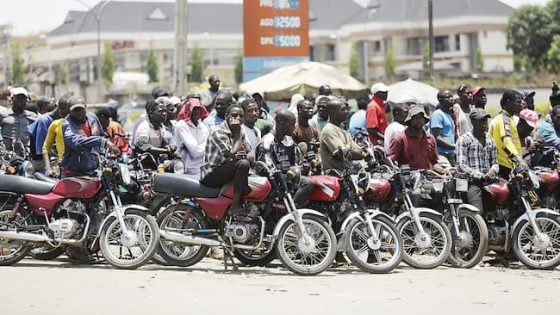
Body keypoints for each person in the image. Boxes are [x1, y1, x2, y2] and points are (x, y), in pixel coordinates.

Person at [200, 104, 252, 215]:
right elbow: (231, 155)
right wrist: (238, 135)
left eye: (241, 116)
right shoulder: (218, 132)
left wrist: (243, 155)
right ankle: (234, 206)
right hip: (212, 174)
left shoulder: (241, 130)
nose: (238, 118)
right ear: (226, 116)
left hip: (227, 170)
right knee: (243, 164)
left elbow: (250, 154)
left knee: (247, 164)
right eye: (234, 115)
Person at [256, 110, 313, 208]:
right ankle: (291, 209)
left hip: (287, 178)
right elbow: (265, 168)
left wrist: (301, 168)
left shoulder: (289, 140)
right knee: (307, 183)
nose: (294, 127)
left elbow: (294, 163)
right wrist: (285, 172)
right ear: (281, 123)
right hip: (273, 180)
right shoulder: (267, 141)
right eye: (292, 124)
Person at [61, 96, 119, 177]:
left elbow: (102, 135)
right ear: (69, 111)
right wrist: (102, 142)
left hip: (94, 170)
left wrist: (103, 155)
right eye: (75, 110)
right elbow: (75, 140)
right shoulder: (67, 124)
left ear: (85, 107)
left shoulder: (92, 118)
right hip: (74, 173)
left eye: (80, 109)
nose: (79, 112)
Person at [456, 108, 498, 214]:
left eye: (485, 119)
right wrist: (480, 175)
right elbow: (462, 165)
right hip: (472, 181)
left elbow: (495, 162)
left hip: (490, 179)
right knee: (478, 212)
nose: (484, 122)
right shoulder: (464, 139)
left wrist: (493, 170)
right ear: (473, 122)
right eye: (481, 120)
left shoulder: (490, 140)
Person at [389, 104, 446, 174]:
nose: (418, 120)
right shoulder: (399, 138)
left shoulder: (430, 138)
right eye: (415, 117)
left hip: (428, 180)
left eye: (421, 117)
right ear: (410, 120)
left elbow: (434, 162)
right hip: (408, 181)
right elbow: (390, 163)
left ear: (424, 119)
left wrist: (444, 171)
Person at [28, 93, 71, 172]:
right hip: (43, 161)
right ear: (59, 108)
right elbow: (42, 149)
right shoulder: (44, 121)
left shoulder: (64, 121)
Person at [489, 89, 526, 179]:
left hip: (511, 164)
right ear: (508, 102)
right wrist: (519, 159)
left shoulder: (510, 118)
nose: (521, 105)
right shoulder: (504, 119)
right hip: (504, 165)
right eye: (518, 102)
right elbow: (507, 140)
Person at [320, 98, 364, 171]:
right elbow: (344, 154)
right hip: (334, 177)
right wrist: (357, 153)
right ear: (333, 112)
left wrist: (362, 153)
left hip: (347, 175)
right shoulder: (329, 130)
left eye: (346, 109)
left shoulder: (343, 130)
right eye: (342, 110)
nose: (346, 112)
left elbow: (359, 150)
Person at [134, 98, 176, 167]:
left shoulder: (161, 127)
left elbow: (164, 144)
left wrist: (170, 147)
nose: (164, 114)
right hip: (144, 169)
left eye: (165, 111)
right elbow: (144, 146)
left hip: (158, 166)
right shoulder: (144, 127)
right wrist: (166, 151)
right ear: (151, 113)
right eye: (160, 111)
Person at [174, 98, 210, 179]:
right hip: (186, 169)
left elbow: (209, 147)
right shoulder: (181, 125)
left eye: (199, 109)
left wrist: (207, 146)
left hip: (202, 167)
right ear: (188, 110)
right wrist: (207, 145)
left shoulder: (203, 126)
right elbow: (196, 152)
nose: (197, 112)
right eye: (194, 109)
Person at [42, 93, 74, 177]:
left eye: (64, 109)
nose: (61, 112)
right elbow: (46, 148)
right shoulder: (55, 125)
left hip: (81, 168)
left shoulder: (83, 124)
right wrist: (48, 169)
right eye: (60, 108)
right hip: (63, 168)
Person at [0, 87, 37, 155]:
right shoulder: (3, 114)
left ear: (26, 100)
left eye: (23, 98)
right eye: (18, 97)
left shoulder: (32, 116)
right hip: (7, 154)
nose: (20, 100)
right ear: (12, 99)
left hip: (26, 154)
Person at [430, 90, 457, 165]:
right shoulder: (437, 114)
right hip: (440, 154)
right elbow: (436, 137)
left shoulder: (448, 115)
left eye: (451, 97)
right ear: (440, 99)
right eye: (447, 97)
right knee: (446, 174)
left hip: (450, 154)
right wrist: (453, 146)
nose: (451, 99)